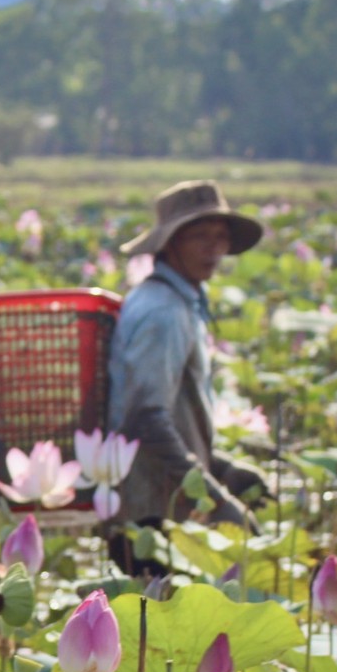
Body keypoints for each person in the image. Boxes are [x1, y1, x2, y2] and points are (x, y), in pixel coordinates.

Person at [107, 180, 269, 575]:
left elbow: (177, 412)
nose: (213, 248)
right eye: (199, 236)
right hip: (148, 512)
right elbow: (146, 417)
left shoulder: (178, 301)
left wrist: (222, 466)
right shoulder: (164, 313)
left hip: (163, 502)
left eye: (220, 236)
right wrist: (215, 498)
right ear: (169, 244)